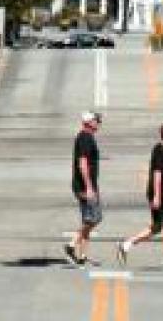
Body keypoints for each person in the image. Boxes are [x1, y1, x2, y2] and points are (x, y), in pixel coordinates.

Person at [118, 123, 163, 268]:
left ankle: (126, 245)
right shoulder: (162, 151)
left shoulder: (160, 149)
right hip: (162, 194)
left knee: (157, 227)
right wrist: (157, 196)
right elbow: (157, 174)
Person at [64, 111, 103, 266]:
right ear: (89, 122)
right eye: (97, 120)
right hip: (84, 186)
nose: (99, 123)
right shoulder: (85, 138)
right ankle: (72, 244)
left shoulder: (86, 137)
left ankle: (82, 255)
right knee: (96, 217)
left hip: (86, 184)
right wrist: (88, 187)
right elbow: (82, 163)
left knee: (87, 219)